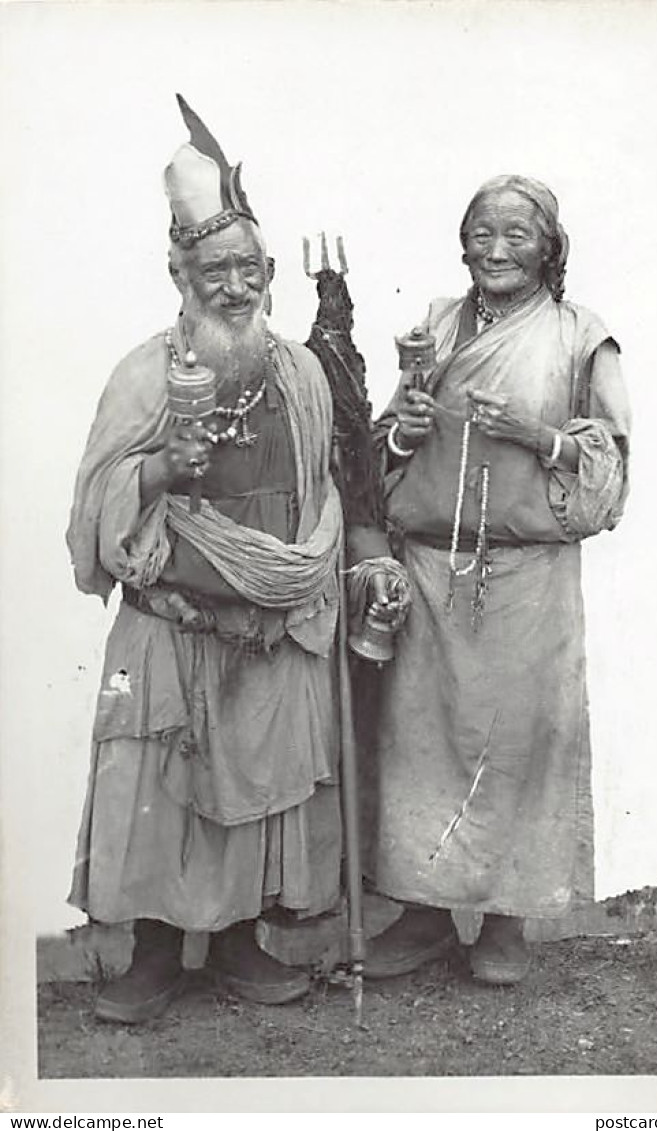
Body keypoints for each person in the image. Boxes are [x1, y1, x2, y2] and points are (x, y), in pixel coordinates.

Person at [66, 96, 403, 1024]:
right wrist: (157, 470)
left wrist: (351, 566)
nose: (235, 285)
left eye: (249, 268)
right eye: (214, 269)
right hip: (171, 625)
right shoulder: (145, 371)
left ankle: (242, 943)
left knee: (260, 789)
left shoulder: (302, 373)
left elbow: (338, 486)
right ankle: (151, 955)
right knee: (154, 787)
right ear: (179, 273)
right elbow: (93, 509)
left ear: (270, 275)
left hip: (273, 626)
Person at [365, 174, 631, 985]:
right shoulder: (436, 326)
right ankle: (422, 912)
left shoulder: (581, 337)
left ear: (548, 248)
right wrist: (404, 433)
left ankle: (507, 921)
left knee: (517, 744)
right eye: (481, 232)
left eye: (516, 234)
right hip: (431, 570)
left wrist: (533, 434)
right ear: (462, 244)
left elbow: (609, 470)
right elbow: (381, 447)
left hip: (528, 577)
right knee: (421, 742)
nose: (496, 249)